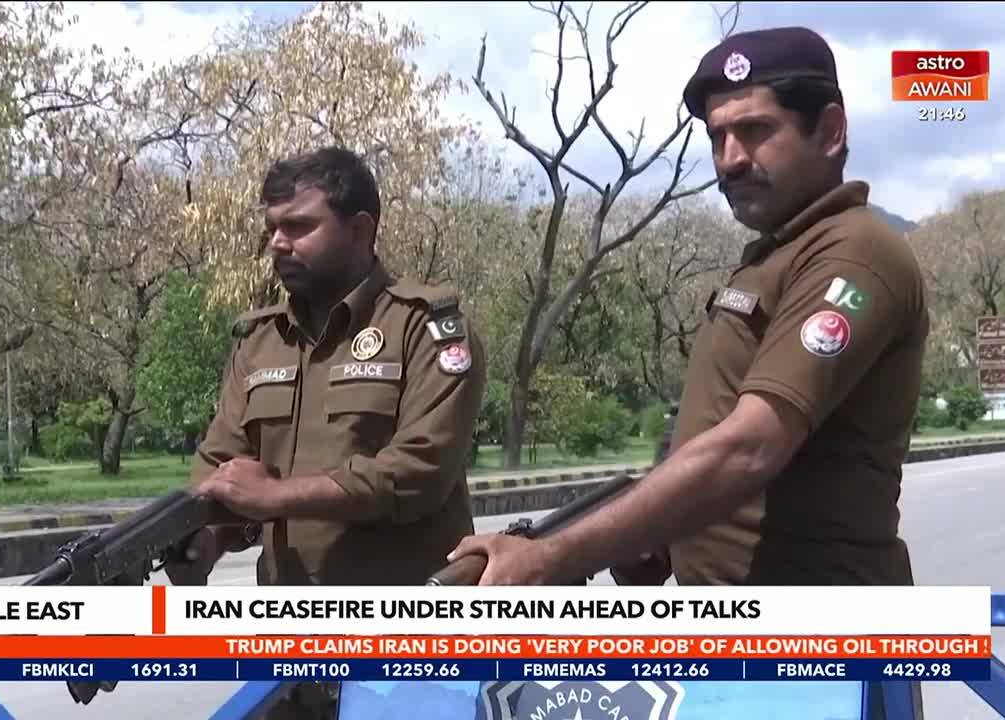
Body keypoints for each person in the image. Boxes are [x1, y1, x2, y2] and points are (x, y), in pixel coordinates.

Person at [446, 26, 927, 716]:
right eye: (717, 136)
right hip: (743, 646)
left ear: (830, 130)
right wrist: (661, 538)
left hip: (825, 652)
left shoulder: (856, 253)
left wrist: (555, 559)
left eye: (756, 130)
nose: (729, 158)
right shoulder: (770, 260)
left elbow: (750, 444)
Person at [165, 145, 488, 719]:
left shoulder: (425, 327)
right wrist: (204, 541)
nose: (278, 243)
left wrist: (274, 497)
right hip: (287, 664)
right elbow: (222, 467)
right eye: (272, 228)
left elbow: (419, 472)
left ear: (362, 228)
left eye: (299, 226)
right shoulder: (258, 340)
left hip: (407, 661)